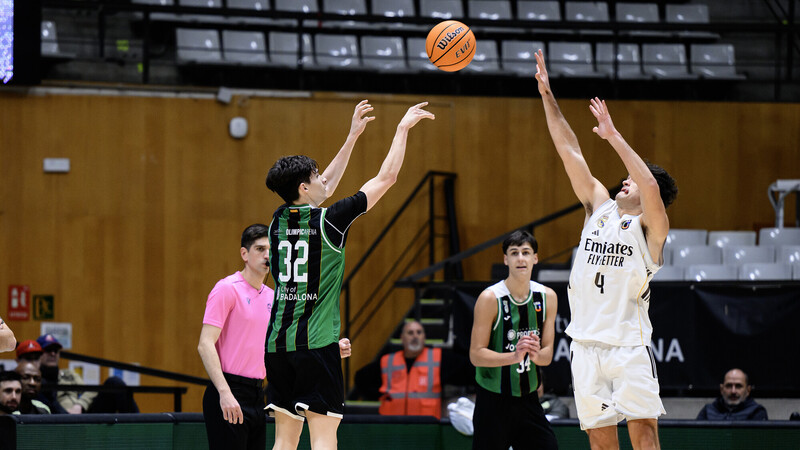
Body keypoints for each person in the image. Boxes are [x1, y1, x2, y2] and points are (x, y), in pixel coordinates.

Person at [264, 100, 434, 450]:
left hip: (277, 345)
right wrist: (401, 129)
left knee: (284, 440)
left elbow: (323, 185)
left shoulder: (276, 222)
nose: (321, 180)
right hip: (316, 346)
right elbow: (386, 178)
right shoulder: (330, 222)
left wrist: (353, 136)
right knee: (324, 439)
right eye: (314, 178)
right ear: (303, 189)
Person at [535, 49, 678, 450]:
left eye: (633, 179)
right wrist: (548, 95)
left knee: (644, 433)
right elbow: (570, 150)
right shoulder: (600, 205)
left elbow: (649, 186)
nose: (626, 182)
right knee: (599, 440)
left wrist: (613, 135)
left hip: (627, 346)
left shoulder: (652, 226)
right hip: (584, 344)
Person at [469, 230, 559, 450]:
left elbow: (546, 358)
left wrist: (536, 354)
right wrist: (515, 356)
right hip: (493, 400)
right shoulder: (490, 298)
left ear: (535, 258)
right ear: (505, 259)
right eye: (514, 253)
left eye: (526, 252)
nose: (520, 258)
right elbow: (476, 355)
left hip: (528, 400)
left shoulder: (547, 297)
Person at [197, 223, 275, 450]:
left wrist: (330, 347)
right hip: (228, 390)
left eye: (271, 250)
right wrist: (225, 393)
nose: (267, 256)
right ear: (244, 253)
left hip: (257, 393)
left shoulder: (273, 296)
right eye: (260, 249)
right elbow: (205, 344)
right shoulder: (227, 289)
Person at [37, 333, 139, 414]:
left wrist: (80, 405)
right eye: (48, 350)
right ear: (38, 354)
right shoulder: (35, 379)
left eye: (56, 350)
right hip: (59, 418)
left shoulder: (69, 373)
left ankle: (138, 428)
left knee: (115, 383)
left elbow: (89, 391)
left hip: (85, 414)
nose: (53, 354)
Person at [697, 368, 768, 420]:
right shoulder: (708, 410)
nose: (733, 391)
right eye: (729, 386)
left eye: (738, 386)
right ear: (722, 389)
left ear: (748, 390)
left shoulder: (756, 411)